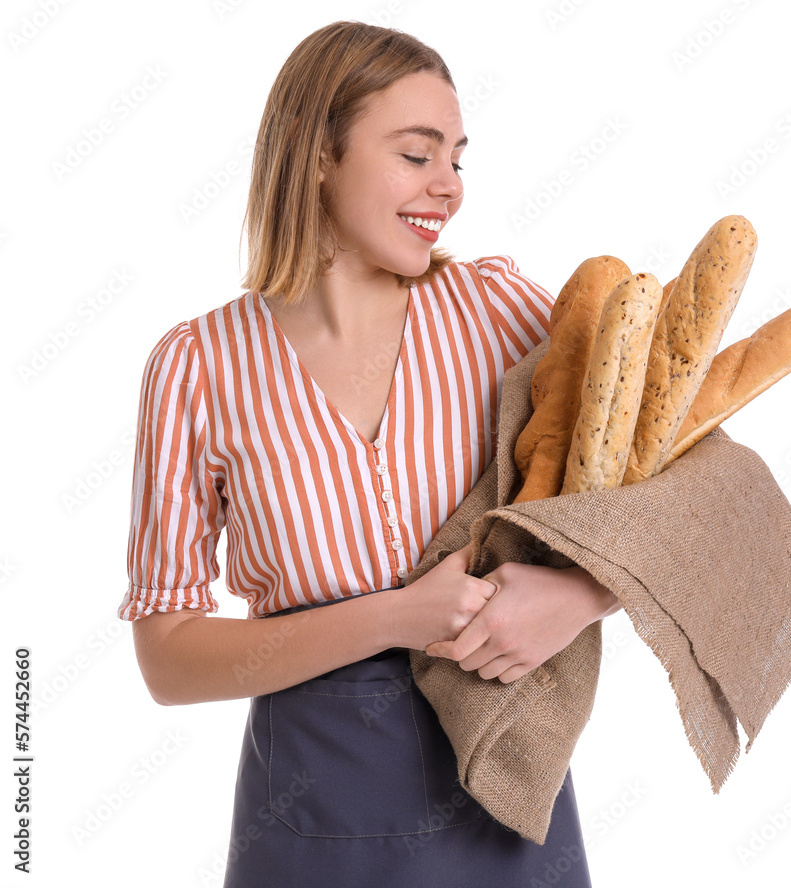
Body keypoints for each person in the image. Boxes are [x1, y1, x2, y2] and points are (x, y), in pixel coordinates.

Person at [118, 20, 621, 887]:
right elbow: (166, 655)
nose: (449, 187)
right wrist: (395, 617)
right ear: (319, 153)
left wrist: (583, 592)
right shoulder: (198, 366)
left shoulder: (498, 314)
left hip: (508, 788)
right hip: (314, 814)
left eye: (457, 158)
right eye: (417, 154)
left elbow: (671, 482)